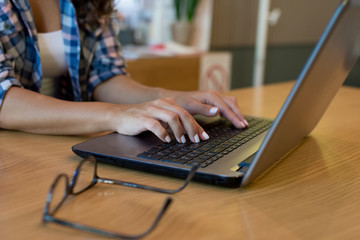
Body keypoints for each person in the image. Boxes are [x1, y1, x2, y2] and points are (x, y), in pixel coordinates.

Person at [0, 0, 248, 144]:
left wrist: (170, 98)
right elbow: (4, 101)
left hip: (56, 141)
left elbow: (104, 76)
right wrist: (115, 115)